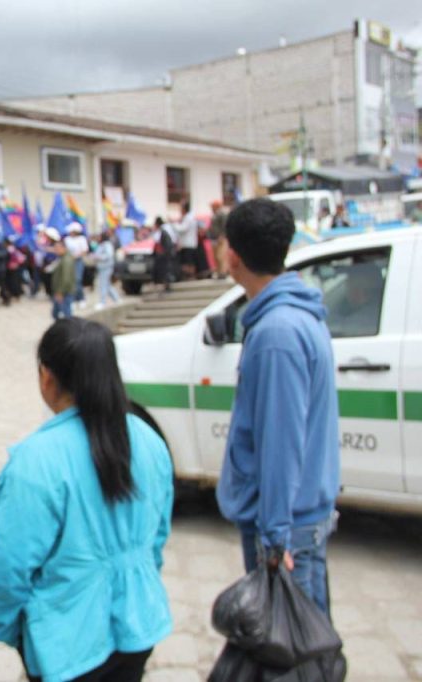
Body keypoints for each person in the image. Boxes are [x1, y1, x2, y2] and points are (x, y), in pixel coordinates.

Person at [0, 318, 173, 682]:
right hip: (139, 622)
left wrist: (3, 625)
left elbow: (9, 563)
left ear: (46, 377)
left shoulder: (36, 461)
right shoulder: (149, 441)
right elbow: (157, 537)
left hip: (65, 643)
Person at [216, 198, 340, 619]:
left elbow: (281, 442)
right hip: (298, 520)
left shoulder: (277, 332)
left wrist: (275, 538)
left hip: (288, 530)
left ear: (232, 255)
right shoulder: (292, 315)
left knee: (291, 657)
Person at [45, 229, 74, 320]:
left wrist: (60, 292)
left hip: (63, 291)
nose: (56, 251)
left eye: (57, 249)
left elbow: (66, 278)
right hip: (60, 290)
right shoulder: (62, 258)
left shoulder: (66, 260)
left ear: (63, 248)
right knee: (57, 313)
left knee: (66, 314)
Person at [64, 222, 89, 309]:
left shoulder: (82, 239)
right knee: (71, 281)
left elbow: (84, 250)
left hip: (78, 261)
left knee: (78, 280)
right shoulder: (67, 239)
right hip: (69, 261)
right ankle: (73, 300)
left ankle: (81, 298)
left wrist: (76, 256)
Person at [94, 232, 120, 309]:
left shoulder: (107, 245)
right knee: (107, 285)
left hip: (106, 267)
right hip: (101, 267)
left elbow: (109, 255)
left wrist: (99, 257)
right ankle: (116, 299)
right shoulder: (100, 245)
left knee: (103, 285)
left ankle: (102, 302)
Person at [174, 200, 199, 281]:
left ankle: (190, 276)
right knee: (187, 261)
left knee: (188, 261)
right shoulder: (188, 217)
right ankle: (188, 275)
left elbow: (183, 229)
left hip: (188, 244)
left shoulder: (188, 218)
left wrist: (173, 224)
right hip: (187, 243)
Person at [151, 216, 174, 294]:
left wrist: (163, 253)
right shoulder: (164, 230)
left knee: (166, 271)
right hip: (166, 254)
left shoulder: (163, 231)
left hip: (165, 255)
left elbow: (165, 244)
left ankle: (167, 287)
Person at [208, 200, 229, 278]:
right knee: (216, 257)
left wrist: (222, 236)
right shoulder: (214, 215)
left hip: (220, 238)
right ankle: (219, 272)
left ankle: (223, 272)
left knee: (221, 256)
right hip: (214, 238)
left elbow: (224, 226)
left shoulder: (222, 214)